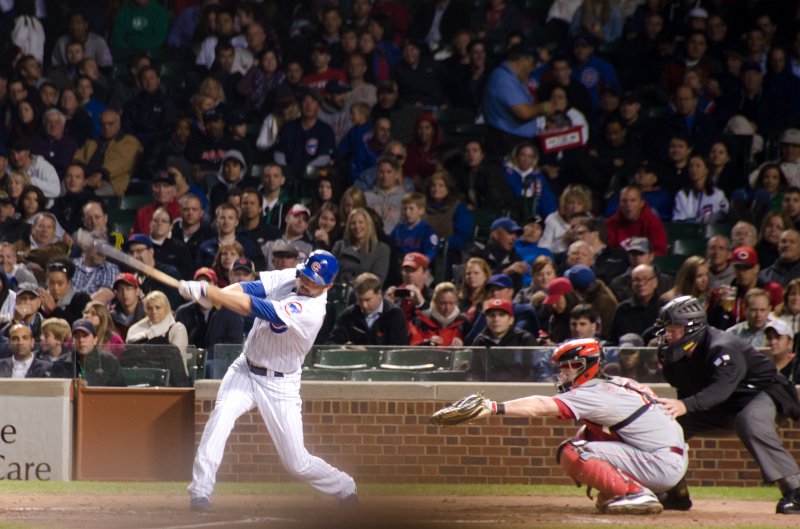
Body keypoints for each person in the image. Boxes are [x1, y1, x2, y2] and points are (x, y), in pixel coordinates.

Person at [179, 250, 358, 511]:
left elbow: (255, 306)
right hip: (246, 367)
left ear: (328, 286)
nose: (306, 283)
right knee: (221, 419)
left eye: (314, 281)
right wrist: (217, 292)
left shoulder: (312, 311)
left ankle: (344, 485)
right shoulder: (294, 276)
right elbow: (252, 287)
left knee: (296, 462)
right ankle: (200, 492)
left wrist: (212, 292)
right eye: (306, 275)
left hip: (280, 384)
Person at [453, 337, 686, 513]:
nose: (563, 373)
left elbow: (540, 406)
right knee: (587, 434)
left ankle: (636, 494)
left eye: (569, 366)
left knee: (574, 451)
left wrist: (493, 407)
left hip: (659, 462)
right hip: (669, 456)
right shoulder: (620, 383)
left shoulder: (594, 392)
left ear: (586, 366)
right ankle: (643, 491)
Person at [654, 296, 800, 514]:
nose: (668, 334)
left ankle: (795, 491)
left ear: (692, 328)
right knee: (669, 426)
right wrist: (681, 410)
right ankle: (675, 492)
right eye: (666, 328)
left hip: (762, 392)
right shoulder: (674, 355)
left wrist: (685, 405)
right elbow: (692, 392)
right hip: (725, 404)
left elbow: (718, 391)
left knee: (749, 422)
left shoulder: (722, 347)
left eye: (674, 328)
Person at [467, 297, 544, 382]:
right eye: (492, 315)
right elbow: (473, 372)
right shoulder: (480, 340)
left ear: (511, 320)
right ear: (486, 320)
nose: (496, 319)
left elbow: (534, 371)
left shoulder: (524, 338)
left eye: (501, 315)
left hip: (519, 388)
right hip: (488, 389)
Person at [125, 291, 191, 387]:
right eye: (150, 308)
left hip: (172, 381)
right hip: (143, 377)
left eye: (158, 308)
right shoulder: (136, 331)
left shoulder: (177, 328)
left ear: (166, 308)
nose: (154, 312)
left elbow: (177, 361)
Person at [332, 208, 391, 286]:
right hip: (339, 291)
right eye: (353, 223)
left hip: (364, 294)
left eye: (361, 222)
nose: (357, 226)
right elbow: (330, 273)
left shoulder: (382, 249)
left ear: (368, 225)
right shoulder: (339, 245)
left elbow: (377, 280)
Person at [408, 282, 469, 347]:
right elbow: (412, 349)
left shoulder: (463, 323)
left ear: (456, 303)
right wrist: (426, 344)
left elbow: (473, 349)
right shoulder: (420, 321)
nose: (447, 308)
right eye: (443, 303)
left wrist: (462, 346)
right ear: (435, 302)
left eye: (451, 303)